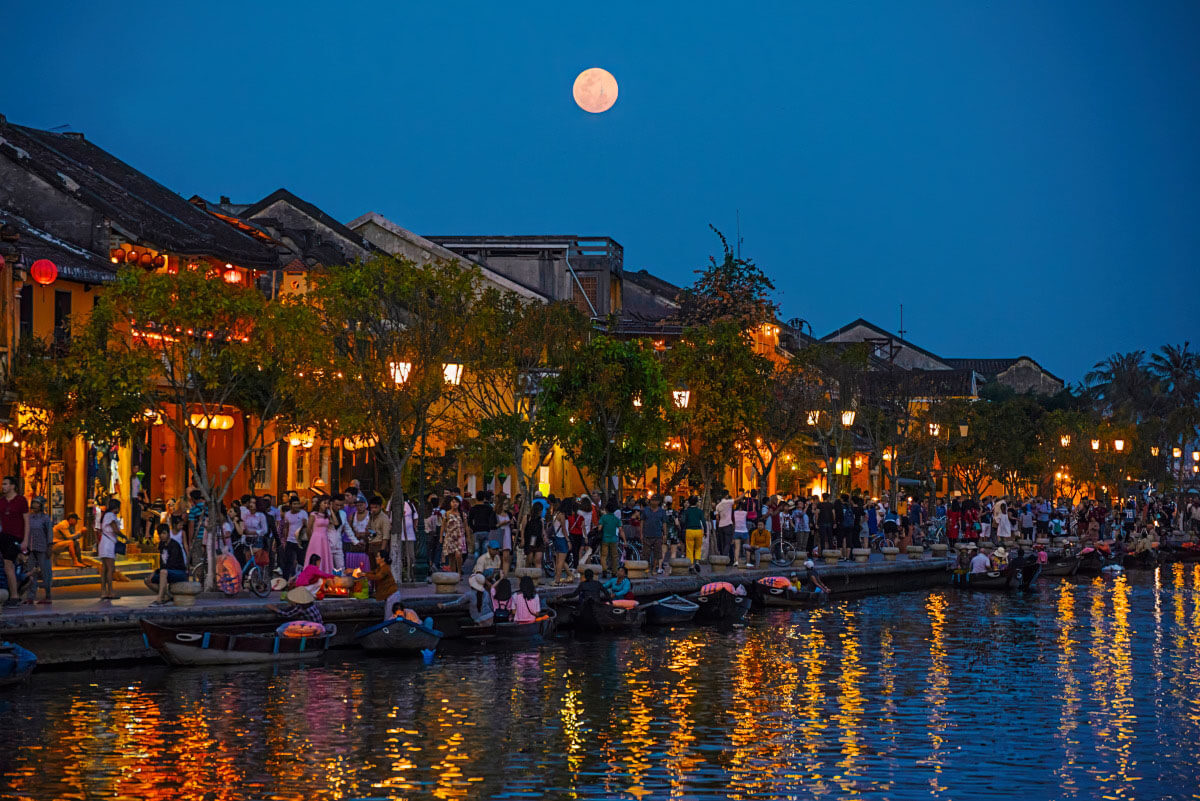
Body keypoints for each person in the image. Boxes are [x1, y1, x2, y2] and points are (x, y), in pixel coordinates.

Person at [0, 476, 29, 607]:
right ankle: (14, 593)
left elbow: (26, 521)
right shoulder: (1, 501)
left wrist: (25, 540)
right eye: (2, 484)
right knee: (8, 567)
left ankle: (14, 596)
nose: (3, 486)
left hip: (16, 536)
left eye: (6, 484)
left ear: (12, 486)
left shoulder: (21, 500)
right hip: (4, 536)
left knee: (8, 565)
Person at [146, 522, 189, 606]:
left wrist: (156, 571)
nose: (162, 536)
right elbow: (162, 562)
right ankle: (168, 596)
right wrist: (156, 572)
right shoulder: (161, 544)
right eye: (160, 534)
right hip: (166, 572)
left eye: (164, 533)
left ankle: (159, 600)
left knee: (163, 572)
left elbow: (171, 564)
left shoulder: (174, 545)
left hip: (179, 572)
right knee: (147, 580)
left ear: (168, 533)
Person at [23, 497, 53, 604]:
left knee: (46, 573)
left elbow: (49, 533)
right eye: (33, 503)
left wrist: (50, 547)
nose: (34, 505)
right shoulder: (29, 518)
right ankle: (31, 596)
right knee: (31, 573)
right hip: (31, 548)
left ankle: (48, 596)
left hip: (43, 548)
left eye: (36, 503)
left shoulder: (45, 518)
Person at [96, 498, 123, 601]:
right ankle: (110, 591)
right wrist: (124, 537)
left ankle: (103, 591)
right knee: (110, 568)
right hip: (109, 544)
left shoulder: (105, 516)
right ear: (115, 507)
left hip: (104, 543)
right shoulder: (111, 516)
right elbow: (115, 529)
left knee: (104, 569)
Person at [280, 496, 308, 579]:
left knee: (301, 561)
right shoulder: (287, 514)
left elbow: (307, 527)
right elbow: (286, 527)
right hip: (290, 540)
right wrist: (284, 540)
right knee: (288, 561)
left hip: (300, 541)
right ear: (290, 505)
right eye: (294, 504)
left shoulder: (303, 513)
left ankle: (301, 579)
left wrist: (305, 524)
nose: (296, 506)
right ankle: (285, 579)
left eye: (298, 504)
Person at [440, 496, 467, 574]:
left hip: (459, 536)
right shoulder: (447, 514)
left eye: (456, 502)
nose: (454, 504)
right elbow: (443, 526)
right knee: (451, 556)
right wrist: (441, 537)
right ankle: (453, 573)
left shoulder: (462, 514)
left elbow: (466, 526)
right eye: (453, 502)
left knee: (458, 555)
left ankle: (459, 571)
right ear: (450, 503)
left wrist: (467, 537)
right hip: (450, 537)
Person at [641, 496, 667, 575]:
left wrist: (665, 534)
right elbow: (642, 522)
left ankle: (654, 568)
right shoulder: (645, 510)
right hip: (647, 534)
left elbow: (664, 523)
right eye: (652, 500)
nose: (654, 502)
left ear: (659, 502)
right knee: (646, 553)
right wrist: (641, 533)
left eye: (656, 501)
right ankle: (647, 567)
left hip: (658, 535)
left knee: (657, 553)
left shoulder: (662, 511)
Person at [598, 499, 623, 578]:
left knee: (604, 556)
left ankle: (604, 569)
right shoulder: (616, 519)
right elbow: (620, 529)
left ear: (606, 509)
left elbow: (599, 528)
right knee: (614, 556)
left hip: (605, 539)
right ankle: (614, 572)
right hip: (614, 539)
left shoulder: (603, 517)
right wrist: (624, 540)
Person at [681, 496, 706, 573]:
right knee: (698, 548)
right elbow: (703, 521)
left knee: (689, 548)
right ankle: (697, 562)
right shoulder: (699, 511)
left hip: (689, 530)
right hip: (698, 531)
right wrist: (705, 531)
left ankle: (691, 565)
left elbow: (683, 521)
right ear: (696, 502)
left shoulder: (687, 511)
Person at [550, 502, 571, 585]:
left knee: (558, 560)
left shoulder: (556, 514)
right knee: (561, 561)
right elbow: (564, 529)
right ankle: (558, 580)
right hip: (562, 538)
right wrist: (568, 540)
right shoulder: (562, 515)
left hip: (556, 538)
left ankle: (556, 578)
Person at [523, 503, 545, 572]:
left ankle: (537, 578)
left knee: (538, 559)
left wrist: (544, 537)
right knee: (529, 559)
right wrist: (522, 540)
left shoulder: (540, 519)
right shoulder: (527, 517)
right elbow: (523, 529)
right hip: (530, 539)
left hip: (538, 540)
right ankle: (526, 575)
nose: (541, 512)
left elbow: (542, 530)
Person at [714, 491, 734, 561]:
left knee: (723, 543)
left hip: (720, 526)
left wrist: (718, 525)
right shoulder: (728, 502)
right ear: (726, 495)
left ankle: (726, 557)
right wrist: (744, 493)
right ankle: (724, 558)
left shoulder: (718, 505)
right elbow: (737, 499)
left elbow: (717, 518)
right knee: (728, 543)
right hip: (728, 525)